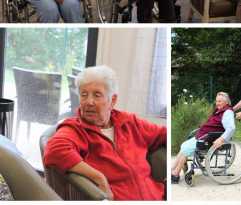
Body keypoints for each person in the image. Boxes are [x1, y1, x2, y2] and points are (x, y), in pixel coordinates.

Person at [43, 65, 166, 201]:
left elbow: (164, 134)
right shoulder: (75, 129)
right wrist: (99, 177)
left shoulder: (130, 123)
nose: (89, 102)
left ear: (112, 101)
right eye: (84, 95)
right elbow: (54, 150)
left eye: (97, 95)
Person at [170, 92, 235, 183]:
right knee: (184, 145)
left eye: (220, 101)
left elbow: (231, 128)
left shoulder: (227, 112)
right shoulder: (218, 110)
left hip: (210, 138)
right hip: (204, 135)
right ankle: (173, 168)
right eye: (216, 101)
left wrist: (221, 140)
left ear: (227, 102)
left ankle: (175, 174)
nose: (217, 103)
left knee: (186, 148)